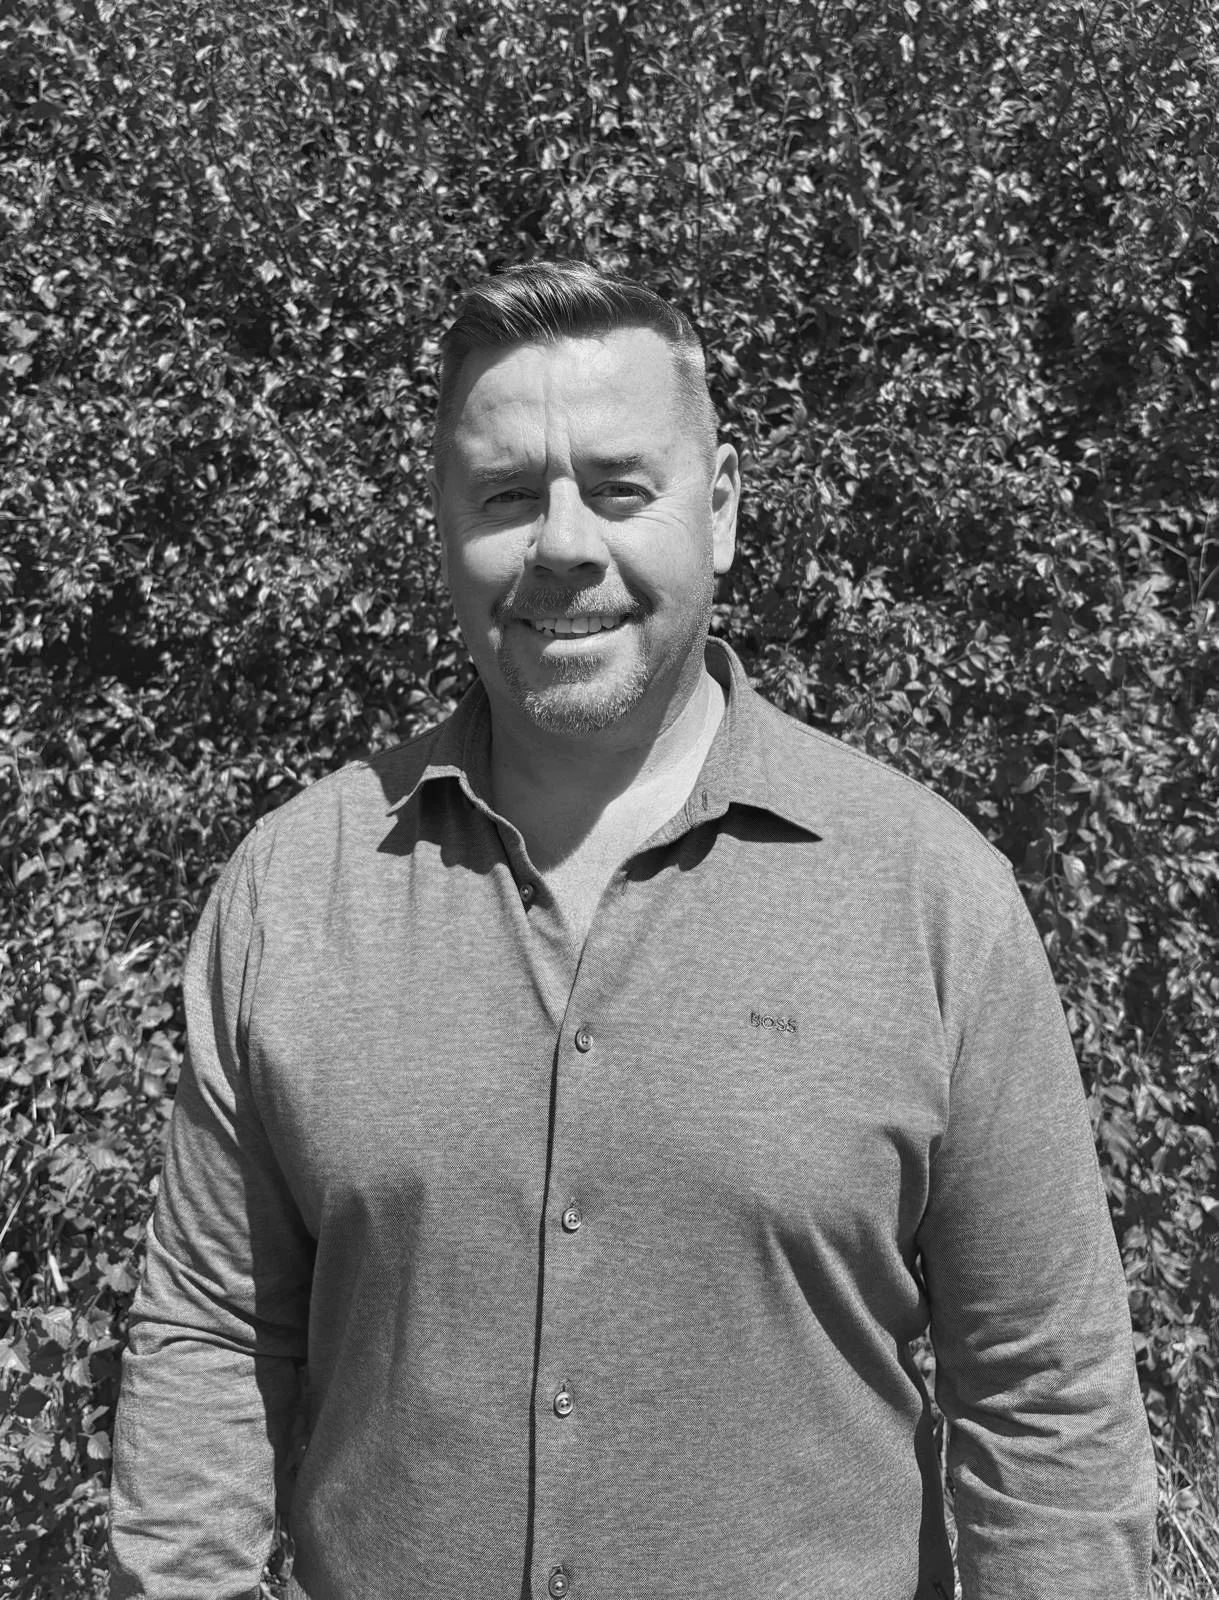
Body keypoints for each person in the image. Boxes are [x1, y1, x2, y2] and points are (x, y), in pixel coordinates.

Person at [110, 260, 1157, 1600]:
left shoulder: (928, 897)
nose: (562, 546)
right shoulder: (294, 890)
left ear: (717, 511)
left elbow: (1044, 1395)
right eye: (505, 495)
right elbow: (208, 1331)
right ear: (440, 525)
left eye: (618, 488)